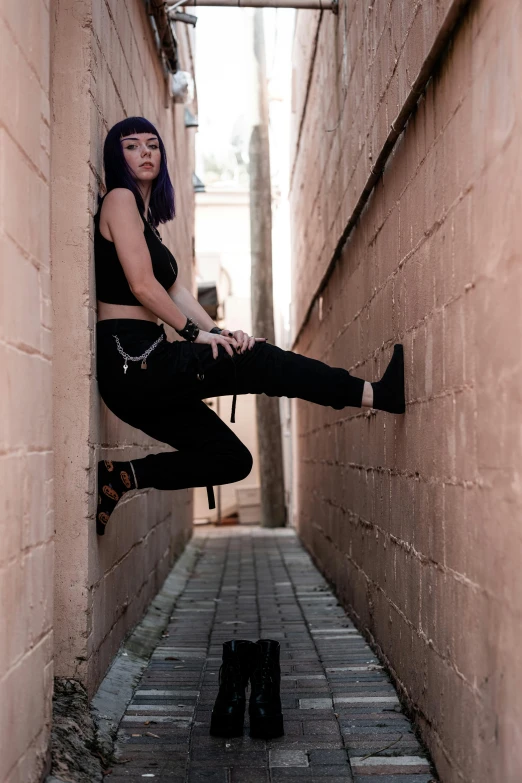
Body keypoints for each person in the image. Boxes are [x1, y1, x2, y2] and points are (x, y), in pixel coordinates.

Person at [95, 117, 405, 537]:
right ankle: (375, 394)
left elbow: (175, 289)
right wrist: (193, 334)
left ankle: (122, 477)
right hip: (133, 361)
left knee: (231, 459)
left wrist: (220, 334)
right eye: (132, 146)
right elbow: (143, 286)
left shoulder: (147, 221)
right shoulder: (118, 200)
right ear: (118, 156)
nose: (146, 152)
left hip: (144, 369)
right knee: (261, 361)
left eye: (152, 144)